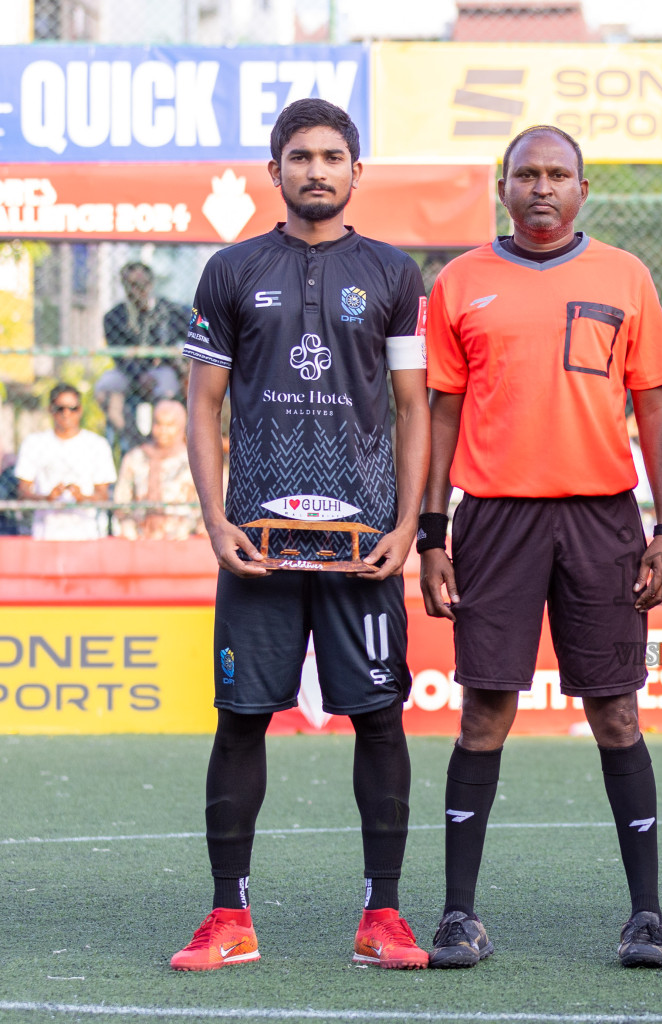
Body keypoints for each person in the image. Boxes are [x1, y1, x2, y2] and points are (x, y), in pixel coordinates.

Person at [171, 98, 431, 972]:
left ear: (358, 172)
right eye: (300, 156)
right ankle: (227, 917)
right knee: (241, 719)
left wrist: (405, 524)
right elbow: (202, 407)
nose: (316, 170)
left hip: (363, 547)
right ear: (273, 169)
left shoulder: (394, 273)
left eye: (332, 157)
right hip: (257, 544)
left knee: (381, 719)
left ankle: (383, 917)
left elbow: (413, 410)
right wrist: (215, 518)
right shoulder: (232, 269)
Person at [417, 124, 662, 970]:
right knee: (485, 710)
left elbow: (654, 410)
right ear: (502, 188)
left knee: (615, 711)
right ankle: (459, 914)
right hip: (493, 519)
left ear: (583, 189)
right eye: (525, 174)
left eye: (557, 174)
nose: (541, 188)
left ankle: (645, 913)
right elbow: (442, 415)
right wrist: (431, 532)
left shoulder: (625, 276)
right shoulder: (460, 281)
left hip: (602, 518)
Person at [98, 261, 187, 449]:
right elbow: (119, 357)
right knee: (105, 388)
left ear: (151, 283)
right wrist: (139, 375)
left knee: (168, 390)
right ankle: (136, 443)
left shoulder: (168, 310)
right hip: (128, 372)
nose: (138, 290)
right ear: (124, 286)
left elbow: (195, 328)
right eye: (132, 285)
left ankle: (163, 439)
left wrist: (182, 361)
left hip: (161, 369)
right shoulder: (114, 316)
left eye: (143, 284)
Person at [14, 383, 116, 540]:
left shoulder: (97, 445)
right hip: (46, 534)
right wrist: (47, 498)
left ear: (80, 410)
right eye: (60, 408)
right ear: (50, 410)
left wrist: (83, 498)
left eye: (72, 408)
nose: (66, 414)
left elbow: (103, 495)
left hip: (86, 534)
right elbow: (23, 492)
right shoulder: (33, 443)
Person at [112, 399, 202, 540]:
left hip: (182, 540)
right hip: (139, 540)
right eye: (158, 424)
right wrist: (129, 529)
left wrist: (186, 530)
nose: (163, 431)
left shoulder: (194, 461)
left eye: (170, 425)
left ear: (181, 426)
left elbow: (203, 508)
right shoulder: (135, 458)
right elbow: (121, 501)